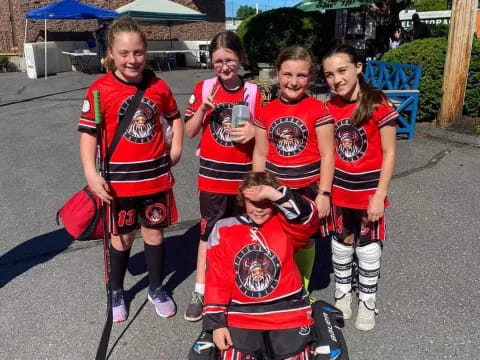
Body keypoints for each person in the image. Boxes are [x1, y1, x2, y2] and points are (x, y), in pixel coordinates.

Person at [78, 17, 184, 322]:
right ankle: (117, 290)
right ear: (111, 53)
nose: (132, 60)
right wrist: (90, 172)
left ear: (146, 52)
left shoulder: (158, 87)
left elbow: (174, 118)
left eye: (138, 52)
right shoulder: (100, 89)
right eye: (124, 53)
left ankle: (156, 287)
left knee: (154, 234)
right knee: (121, 238)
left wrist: (176, 147)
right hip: (118, 184)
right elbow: (88, 135)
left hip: (155, 180)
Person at [183, 31, 262, 322]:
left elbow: (265, 135)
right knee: (208, 233)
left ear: (240, 59)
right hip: (212, 177)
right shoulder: (204, 88)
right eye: (218, 61)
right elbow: (190, 132)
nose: (224, 67)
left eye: (229, 60)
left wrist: (255, 131)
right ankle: (200, 290)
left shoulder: (254, 92)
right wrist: (203, 109)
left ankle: (241, 286)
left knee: (244, 232)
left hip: (243, 177)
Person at [203, 171, 319, 359]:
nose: (259, 209)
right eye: (253, 203)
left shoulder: (287, 224)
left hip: (288, 314)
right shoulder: (224, 228)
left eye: (265, 203)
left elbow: (310, 217)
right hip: (241, 316)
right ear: (243, 201)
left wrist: (274, 194)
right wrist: (216, 324)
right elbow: (216, 278)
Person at [321, 45, 397, 331]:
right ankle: (342, 294)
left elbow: (389, 153)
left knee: (368, 250)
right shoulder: (329, 108)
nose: (336, 79)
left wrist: (380, 195)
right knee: (341, 246)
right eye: (329, 74)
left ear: (359, 67)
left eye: (342, 70)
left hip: (368, 195)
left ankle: (367, 300)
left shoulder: (378, 103)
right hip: (339, 193)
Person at [252, 45, 335, 297]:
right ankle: (278, 288)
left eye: (301, 75)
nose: (294, 81)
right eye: (288, 74)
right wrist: (257, 189)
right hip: (276, 188)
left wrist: (324, 193)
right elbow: (260, 153)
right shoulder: (265, 112)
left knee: (304, 240)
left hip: (307, 188)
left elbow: (328, 154)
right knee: (275, 237)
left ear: (310, 77)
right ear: (278, 74)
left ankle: (301, 290)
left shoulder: (319, 110)